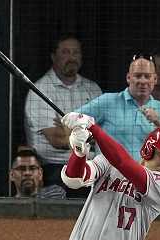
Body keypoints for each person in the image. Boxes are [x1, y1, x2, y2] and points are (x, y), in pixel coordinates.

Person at [25, 34, 103, 187]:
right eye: (65, 52)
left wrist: (69, 131)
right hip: (54, 168)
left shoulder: (92, 89)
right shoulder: (40, 90)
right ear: (54, 57)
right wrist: (86, 133)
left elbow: (103, 135)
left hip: (91, 165)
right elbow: (57, 140)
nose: (71, 57)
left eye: (76, 53)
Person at [75, 55, 160, 162]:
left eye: (147, 76)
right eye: (138, 76)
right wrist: (79, 150)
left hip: (145, 176)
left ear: (155, 79)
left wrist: (159, 124)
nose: (143, 81)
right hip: (109, 175)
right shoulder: (107, 101)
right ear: (128, 78)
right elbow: (74, 119)